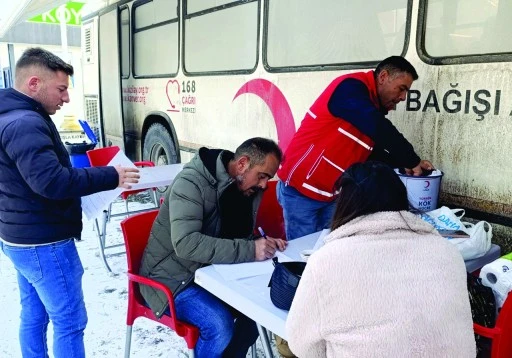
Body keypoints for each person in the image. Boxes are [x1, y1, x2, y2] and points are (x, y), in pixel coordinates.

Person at [0, 47, 140, 358]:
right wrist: (110, 176)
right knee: (70, 322)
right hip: (44, 241)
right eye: (61, 89)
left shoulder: (12, 116)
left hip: (19, 236)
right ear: (34, 83)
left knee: (34, 315)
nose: (66, 99)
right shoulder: (25, 123)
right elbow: (52, 182)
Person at [286, 161, 476, 357]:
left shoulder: (325, 261)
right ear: (401, 199)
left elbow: (302, 345)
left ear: (344, 203)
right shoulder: (447, 251)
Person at [140, 137, 287, 358]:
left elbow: (233, 235)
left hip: (211, 272)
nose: (265, 184)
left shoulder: (246, 187)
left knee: (261, 308)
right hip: (172, 279)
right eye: (262, 176)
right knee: (219, 326)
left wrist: (260, 243)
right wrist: (250, 249)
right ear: (242, 164)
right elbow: (186, 244)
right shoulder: (191, 182)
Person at [277, 56, 434, 240]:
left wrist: (402, 164)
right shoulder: (350, 88)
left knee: (333, 249)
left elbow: (371, 153)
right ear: (383, 76)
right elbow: (378, 126)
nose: (403, 97)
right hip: (300, 191)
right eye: (401, 89)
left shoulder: (371, 107)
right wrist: (411, 159)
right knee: (303, 254)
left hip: (332, 194)